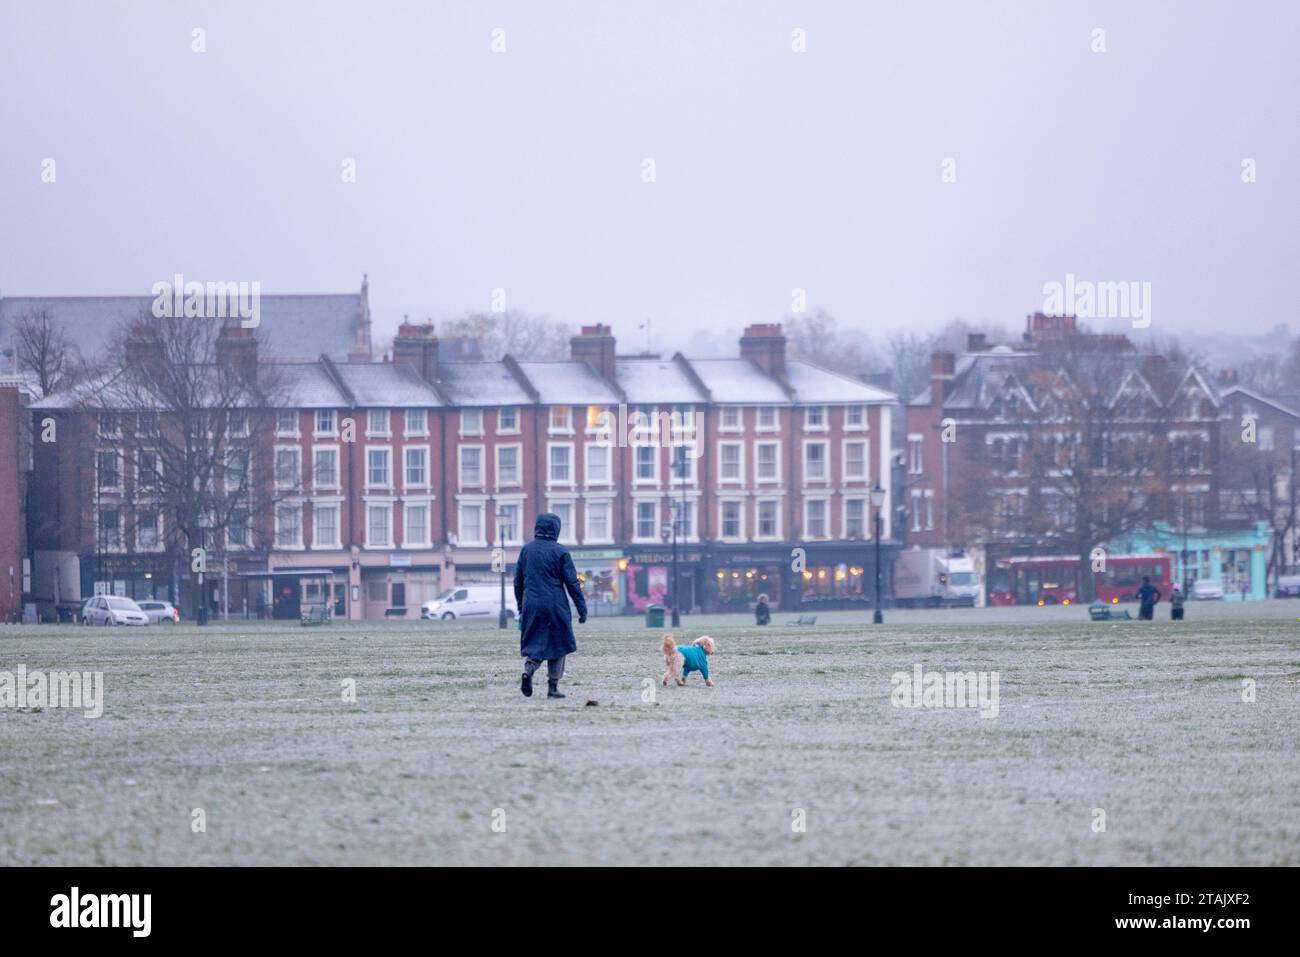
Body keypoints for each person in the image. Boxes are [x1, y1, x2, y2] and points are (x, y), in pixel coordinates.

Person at [514, 512, 587, 699]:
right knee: (559, 644)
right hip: (556, 604)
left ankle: (528, 671)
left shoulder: (526, 550)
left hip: (532, 604)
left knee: (535, 642)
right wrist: (581, 609)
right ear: (556, 529)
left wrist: (522, 608)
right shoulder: (561, 551)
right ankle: (552, 687)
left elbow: (518, 582)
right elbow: (572, 583)